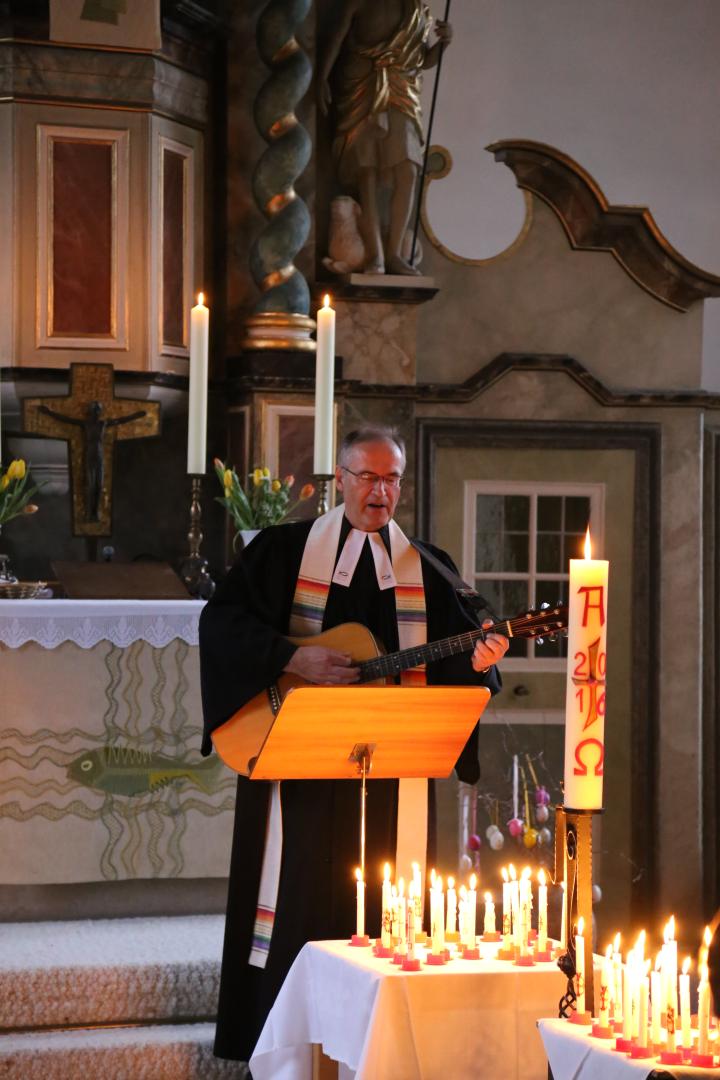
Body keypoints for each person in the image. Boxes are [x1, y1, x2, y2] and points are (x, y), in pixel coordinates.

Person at [199, 426, 508, 1062]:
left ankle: (378, 1052)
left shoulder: (429, 565)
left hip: (391, 778)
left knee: (383, 906)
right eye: (367, 477)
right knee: (300, 901)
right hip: (299, 768)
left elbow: (456, 662)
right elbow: (222, 623)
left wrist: (483, 659)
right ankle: (287, 1055)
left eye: (392, 478)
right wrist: (293, 658)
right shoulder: (284, 553)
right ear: (339, 480)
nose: (380, 490)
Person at [319, 0, 452, 275]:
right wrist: (320, 77)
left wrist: (444, 43)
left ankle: (393, 255)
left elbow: (422, 59)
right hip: (362, 88)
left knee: (408, 172)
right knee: (365, 173)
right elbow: (336, 39)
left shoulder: (416, 9)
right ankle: (376, 256)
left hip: (401, 91)